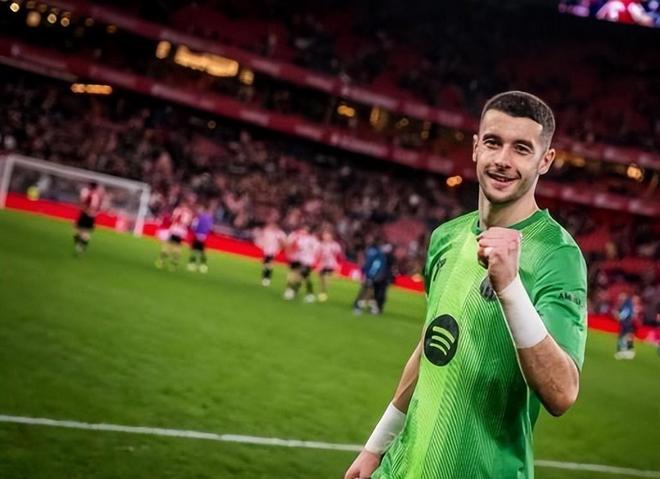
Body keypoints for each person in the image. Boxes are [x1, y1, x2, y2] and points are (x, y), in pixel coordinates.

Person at [345, 91, 588, 479]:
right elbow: (431, 345)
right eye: (493, 142)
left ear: (545, 160)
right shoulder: (446, 237)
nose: (503, 159)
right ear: (476, 148)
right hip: (402, 468)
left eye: (521, 148)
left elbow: (562, 393)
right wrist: (375, 447)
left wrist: (509, 288)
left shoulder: (558, 256)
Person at [283, 225, 320, 302]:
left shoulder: (312, 239)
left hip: (307, 261)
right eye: (303, 229)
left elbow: (316, 250)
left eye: (306, 230)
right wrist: (289, 253)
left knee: (304, 276)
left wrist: (314, 260)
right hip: (296, 259)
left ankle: (310, 294)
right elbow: (288, 244)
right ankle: (292, 291)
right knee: (293, 276)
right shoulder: (295, 236)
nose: (303, 231)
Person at [156, 197, 194, 271]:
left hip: (174, 229)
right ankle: (173, 265)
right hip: (181, 232)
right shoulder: (189, 213)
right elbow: (188, 223)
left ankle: (161, 261)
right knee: (177, 248)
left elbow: (172, 219)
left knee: (167, 246)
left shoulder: (177, 210)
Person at [73, 182, 104, 256]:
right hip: (92, 216)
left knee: (77, 230)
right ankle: (82, 248)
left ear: (90, 186)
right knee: (86, 233)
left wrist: (85, 209)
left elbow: (84, 203)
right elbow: (99, 207)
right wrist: (95, 213)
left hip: (86, 214)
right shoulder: (98, 196)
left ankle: (78, 246)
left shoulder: (89, 194)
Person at [254, 219, 287, 286]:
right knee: (265, 265)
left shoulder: (280, 234)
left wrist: (280, 244)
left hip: (274, 251)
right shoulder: (268, 232)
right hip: (266, 250)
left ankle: (266, 278)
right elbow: (263, 239)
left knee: (268, 265)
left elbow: (284, 243)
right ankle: (265, 278)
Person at [187, 202, 214, 273]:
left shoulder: (198, 217)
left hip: (197, 236)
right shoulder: (209, 218)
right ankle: (203, 267)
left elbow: (193, 227)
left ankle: (192, 265)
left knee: (194, 251)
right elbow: (210, 228)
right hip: (203, 237)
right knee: (202, 252)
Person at [316, 230, 343, 302]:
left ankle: (324, 293)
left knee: (326, 279)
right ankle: (322, 291)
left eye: (328, 236)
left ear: (331, 237)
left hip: (331, 264)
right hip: (322, 264)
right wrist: (317, 265)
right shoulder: (321, 245)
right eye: (325, 235)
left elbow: (339, 257)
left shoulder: (335, 245)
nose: (326, 237)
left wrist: (338, 268)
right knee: (321, 280)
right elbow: (318, 255)